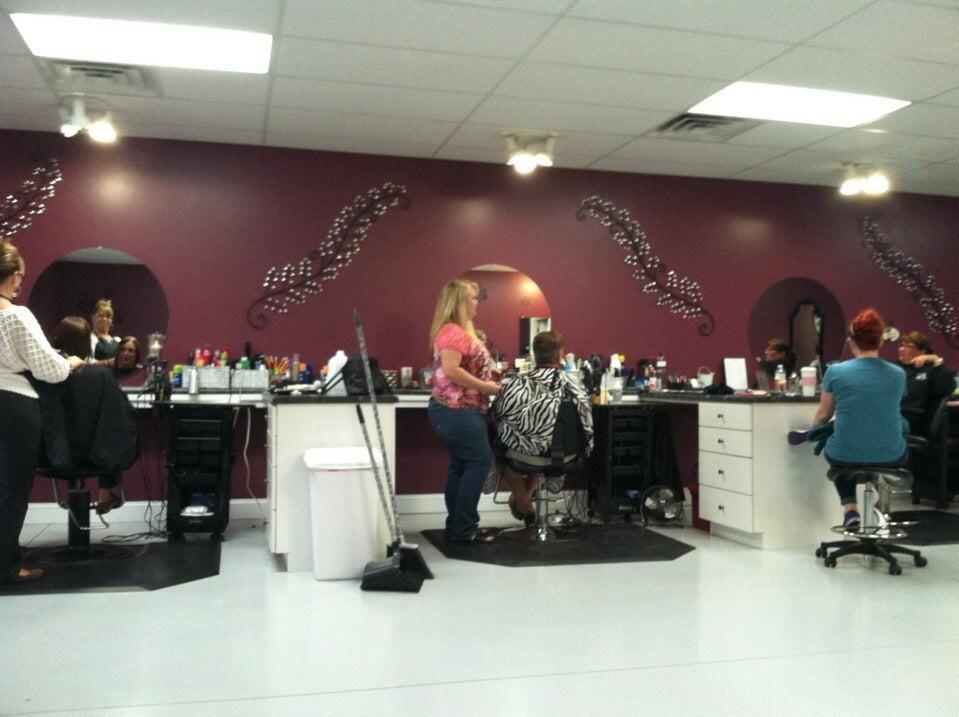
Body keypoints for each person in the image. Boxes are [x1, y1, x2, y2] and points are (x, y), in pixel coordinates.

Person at [0, 240, 84, 584]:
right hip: (14, 406)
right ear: (14, 276)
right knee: (11, 488)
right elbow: (50, 369)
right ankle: (6, 566)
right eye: (20, 277)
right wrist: (71, 362)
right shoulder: (16, 316)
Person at [811, 309, 908, 530]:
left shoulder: (835, 371)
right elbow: (887, 412)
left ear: (850, 341)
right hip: (892, 454)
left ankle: (850, 508)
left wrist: (813, 431)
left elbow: (823, 415)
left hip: (845, 454)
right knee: (870, 446)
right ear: (881, 340)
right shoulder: (898, 374)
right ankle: (876, 502)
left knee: (838, 445)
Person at [427, 279, 501, 543]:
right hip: (458, 409)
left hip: (456, 409)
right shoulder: (454, 332)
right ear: (459, 302)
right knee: (479, 462)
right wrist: (486, 387)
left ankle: (458, 525)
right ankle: (465, 527)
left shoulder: (456, 331)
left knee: (461, 465)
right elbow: (451, 370)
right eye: (472, 297)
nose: (476, 302)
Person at [492, 330, 593, 523]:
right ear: (561, 354)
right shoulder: (576, 385)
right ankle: (525, 501)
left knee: (502, 448)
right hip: (567, 454)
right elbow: (587, 423)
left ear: (534, 355)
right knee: (545, 444)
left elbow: (499, 412)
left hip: (525, 454)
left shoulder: (517, 382)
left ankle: (523, 502)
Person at [50, 316, 132, 514]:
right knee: (121, 424)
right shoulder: (101, 376)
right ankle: (107, 490)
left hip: (51, 456)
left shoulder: (44, 376)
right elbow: (120, 419)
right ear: (87, 344)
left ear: (57, 341)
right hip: (94, 458)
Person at [896, 331, 956, 436]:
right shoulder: (895, 368)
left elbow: (948, 388)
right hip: (894, 417)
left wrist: (936, 359)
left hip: (914, 422)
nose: (901, 349)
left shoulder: (932, 369)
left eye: (907, 346)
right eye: (901, 345)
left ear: (922, 350)